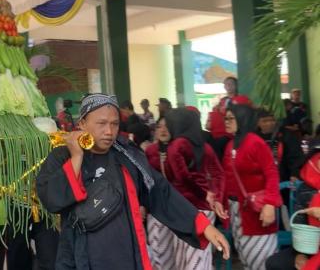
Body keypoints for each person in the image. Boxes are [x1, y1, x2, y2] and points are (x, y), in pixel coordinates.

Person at [36, 93, 229, 270]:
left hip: (127, 258)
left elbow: (160, 192)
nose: (109, 131)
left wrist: (203, 226)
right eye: (101, 123)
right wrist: (76, 157)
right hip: (81, 259)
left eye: (114, 124)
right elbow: (51, 200)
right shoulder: (62, 157)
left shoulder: (127, 156)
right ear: (83, 123)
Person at [162, 108, 226, 270]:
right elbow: (219, 174)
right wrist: (215, 197)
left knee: (184, 258)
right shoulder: (204, 146)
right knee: (200, 257)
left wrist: (204, 194)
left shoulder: (176, 146)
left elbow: (181, 177)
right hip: (205, 209)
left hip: (184, 209)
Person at [221, 104, 282, 270]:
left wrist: (270, 203)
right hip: (237, 211)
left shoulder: (255, 143)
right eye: (225, 118)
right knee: (245, 258)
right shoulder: (231, 144)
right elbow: (227, 177)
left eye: (231, 118)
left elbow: (272, 173)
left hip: (257, 212)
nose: (226, 122)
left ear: (242, 118)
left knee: (261, 260)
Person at [266, 152, 320, 270]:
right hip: (308, 245)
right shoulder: (306, 188)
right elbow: (299, 221)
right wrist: (300, 254)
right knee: (275, 263)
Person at [144, 117, 173, 269]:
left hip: (177, 210)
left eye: (167, 126)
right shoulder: (150, 151)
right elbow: (144, 180)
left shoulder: (181, 149)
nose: (163, 130)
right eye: (159, 126)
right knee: (158, 252)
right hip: (156, 209)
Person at [257, 109, 305, 183]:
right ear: (258, 123)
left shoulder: (286, 135)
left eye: (272, 120)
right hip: (261, 179)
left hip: (284, 178)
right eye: (265, 121)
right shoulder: (253, 138)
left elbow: (296, 156)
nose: (269, 123)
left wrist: (295, 173)